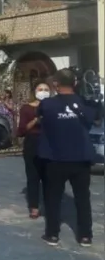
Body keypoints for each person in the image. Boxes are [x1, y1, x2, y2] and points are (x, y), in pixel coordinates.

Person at [37, 68, 97, 247]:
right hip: (81, 159)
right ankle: (85, 236)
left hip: (56, 159)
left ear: (55, 84)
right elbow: (96, 118)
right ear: (75, 83)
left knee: (53, 197)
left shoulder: (47, 104)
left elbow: (40, 117)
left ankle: (52, 234)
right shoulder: (85, 104)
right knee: (82, 198)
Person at [16, 81, 50, 219]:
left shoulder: (53, 107)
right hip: (32, 144)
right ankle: (34, 206)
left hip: (49, 144)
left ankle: (49, 205)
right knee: (33, 177)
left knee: (49, 178)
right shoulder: (26, 108)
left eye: (46, 89)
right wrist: (37, 119)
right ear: (34, 91)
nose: (43, 91)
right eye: (40, 89)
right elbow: (22, 130)